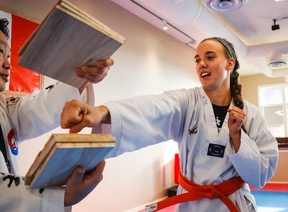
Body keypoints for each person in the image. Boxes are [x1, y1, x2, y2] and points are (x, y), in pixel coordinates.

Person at [61, 37, 279, 212]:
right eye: (197, 59)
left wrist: (238, 138)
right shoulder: (187, 102)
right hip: (191, 203)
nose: (201, 63)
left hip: (232, 203)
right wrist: (103, 112)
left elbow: (259, 176)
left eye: (209, 57)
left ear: (229, 63)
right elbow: (153, 108)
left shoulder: (251, 115)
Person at [0, 17, 113, 211]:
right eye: (0, 52)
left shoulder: (4, 107)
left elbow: (39, 106)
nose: (8, 64)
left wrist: (83, 75)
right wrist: (57, 198)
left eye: (8, 56)